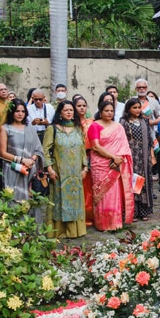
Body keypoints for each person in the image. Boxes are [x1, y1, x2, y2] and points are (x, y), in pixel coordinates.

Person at [41, 101, 88, 237]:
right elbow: (45, 149)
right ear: (60, 112)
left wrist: (85, 168)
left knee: (76, 200)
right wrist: (49, 168)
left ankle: (75, 231)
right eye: (66, 110)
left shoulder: (78, 128)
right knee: (58, 199)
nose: (69, 112)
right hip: (59, 172)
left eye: (71, 110)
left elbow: (83, 150)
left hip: (76, 172)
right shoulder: (53, 129)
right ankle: (59, 231)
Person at [89, 101, 136, 231]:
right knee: (101, 193)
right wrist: (113, 157)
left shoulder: (118, 127)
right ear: (100, 111)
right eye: (106, 111)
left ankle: (115, 223)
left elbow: (124, 147)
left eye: (111, 111)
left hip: (115, 164)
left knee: (114, 193)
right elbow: (95, 146)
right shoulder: (95, 126)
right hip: (100, 164)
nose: (109, 113)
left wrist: (118, 159)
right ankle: (102, 223)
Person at [0, 99, 44, 208]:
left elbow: (38, 148)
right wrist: (22, 160)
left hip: (30, 170)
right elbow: (2, 153)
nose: (20, 114)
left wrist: (32, 160)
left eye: (23, 111)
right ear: (11, 112)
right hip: (13, 168)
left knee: (30, 199)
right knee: (14, 199)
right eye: (17, 111)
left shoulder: (30, 128)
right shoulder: (5, 129)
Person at [120, 98, 157, 221]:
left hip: (144, 156)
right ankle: (133, 211)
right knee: (134, 182)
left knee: (144, 182)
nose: (137, 110)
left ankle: (143, 210)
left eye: (138, 107)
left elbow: (150, 139)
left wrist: (151, 155)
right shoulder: (124, 122)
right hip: (132, 156)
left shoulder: (144, 121)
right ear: (128, 109)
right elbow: (122, 140)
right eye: (134, 108)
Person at [73, 96, 96, 225]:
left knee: (89, 185)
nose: (81, 108)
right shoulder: (71, 124)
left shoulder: (91, 122)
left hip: (90, 155)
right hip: (75, 157)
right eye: (79, 106)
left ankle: (89, 214)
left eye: (83, 105)